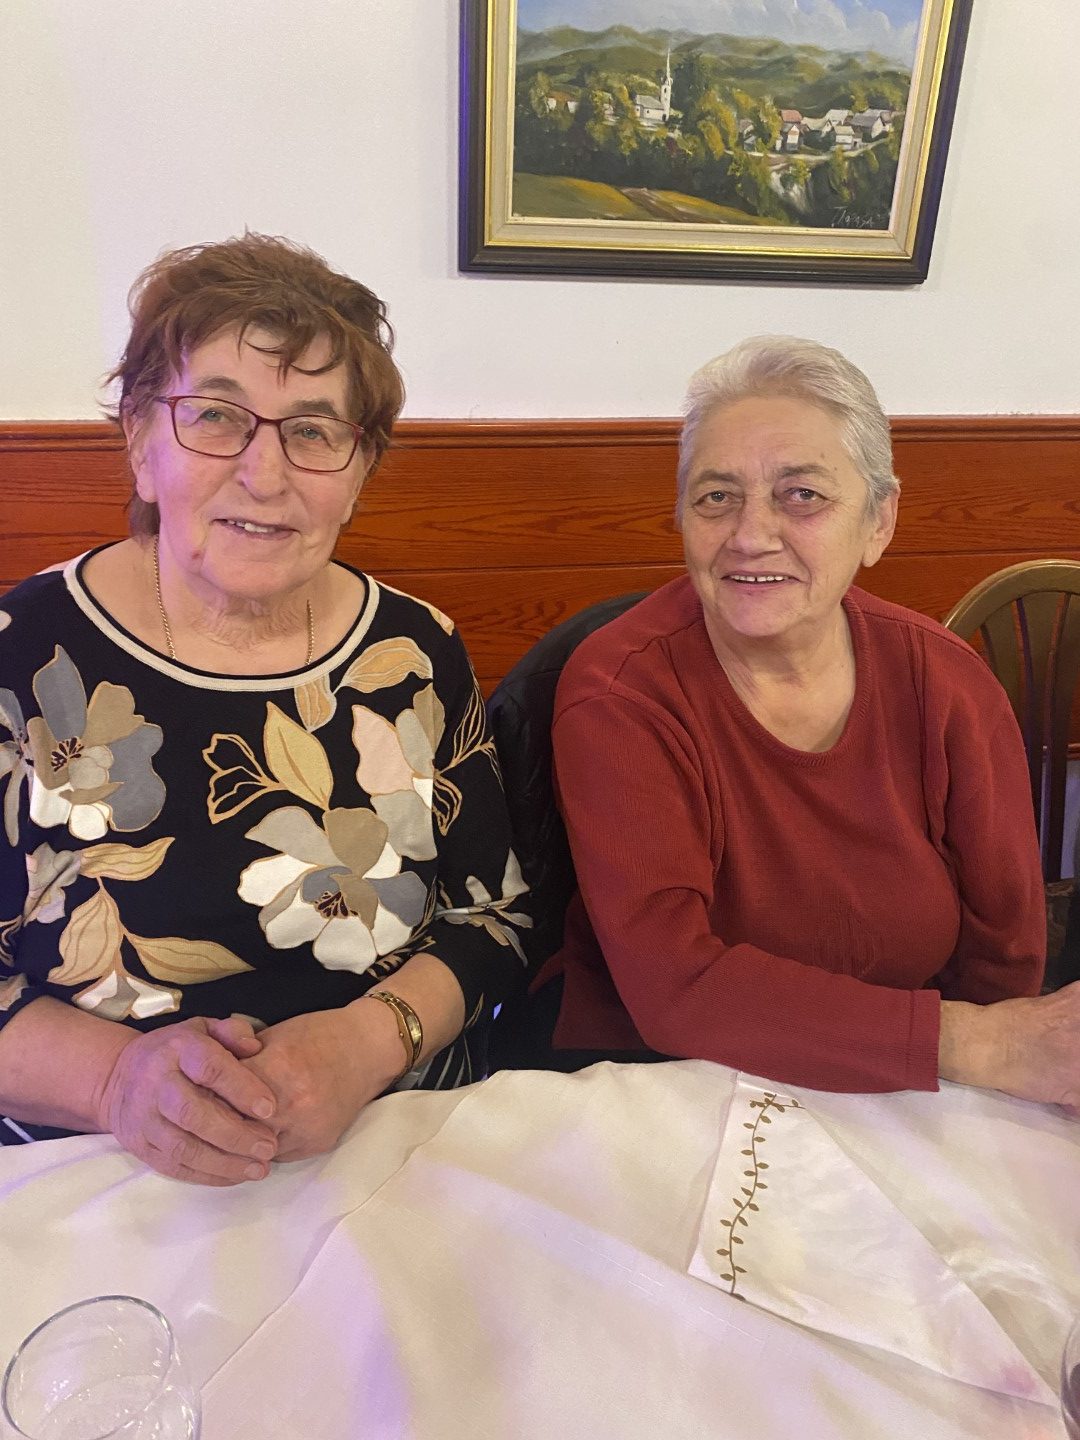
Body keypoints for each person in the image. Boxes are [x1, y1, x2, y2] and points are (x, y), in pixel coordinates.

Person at [0, 234, 529, 1183]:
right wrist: (117, 1082)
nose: (265, 473)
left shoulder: (415, 652)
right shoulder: (17, 652)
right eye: (216, 416)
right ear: (140, 440)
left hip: (388, 1145)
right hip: (95, 1172)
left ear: (359, 469)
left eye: (314, 431)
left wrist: (372, 1041)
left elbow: (493, 921)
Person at [533, 334, 1080, 1110]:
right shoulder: (620, 694)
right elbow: (674, 986)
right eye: (716, 496)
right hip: (664, 1087)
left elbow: (1003, 956)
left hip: (908, 1094)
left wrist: (976, 1076)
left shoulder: (950, 682)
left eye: (802, 495)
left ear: (879, 520)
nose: (750, 535)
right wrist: (971, 1044)